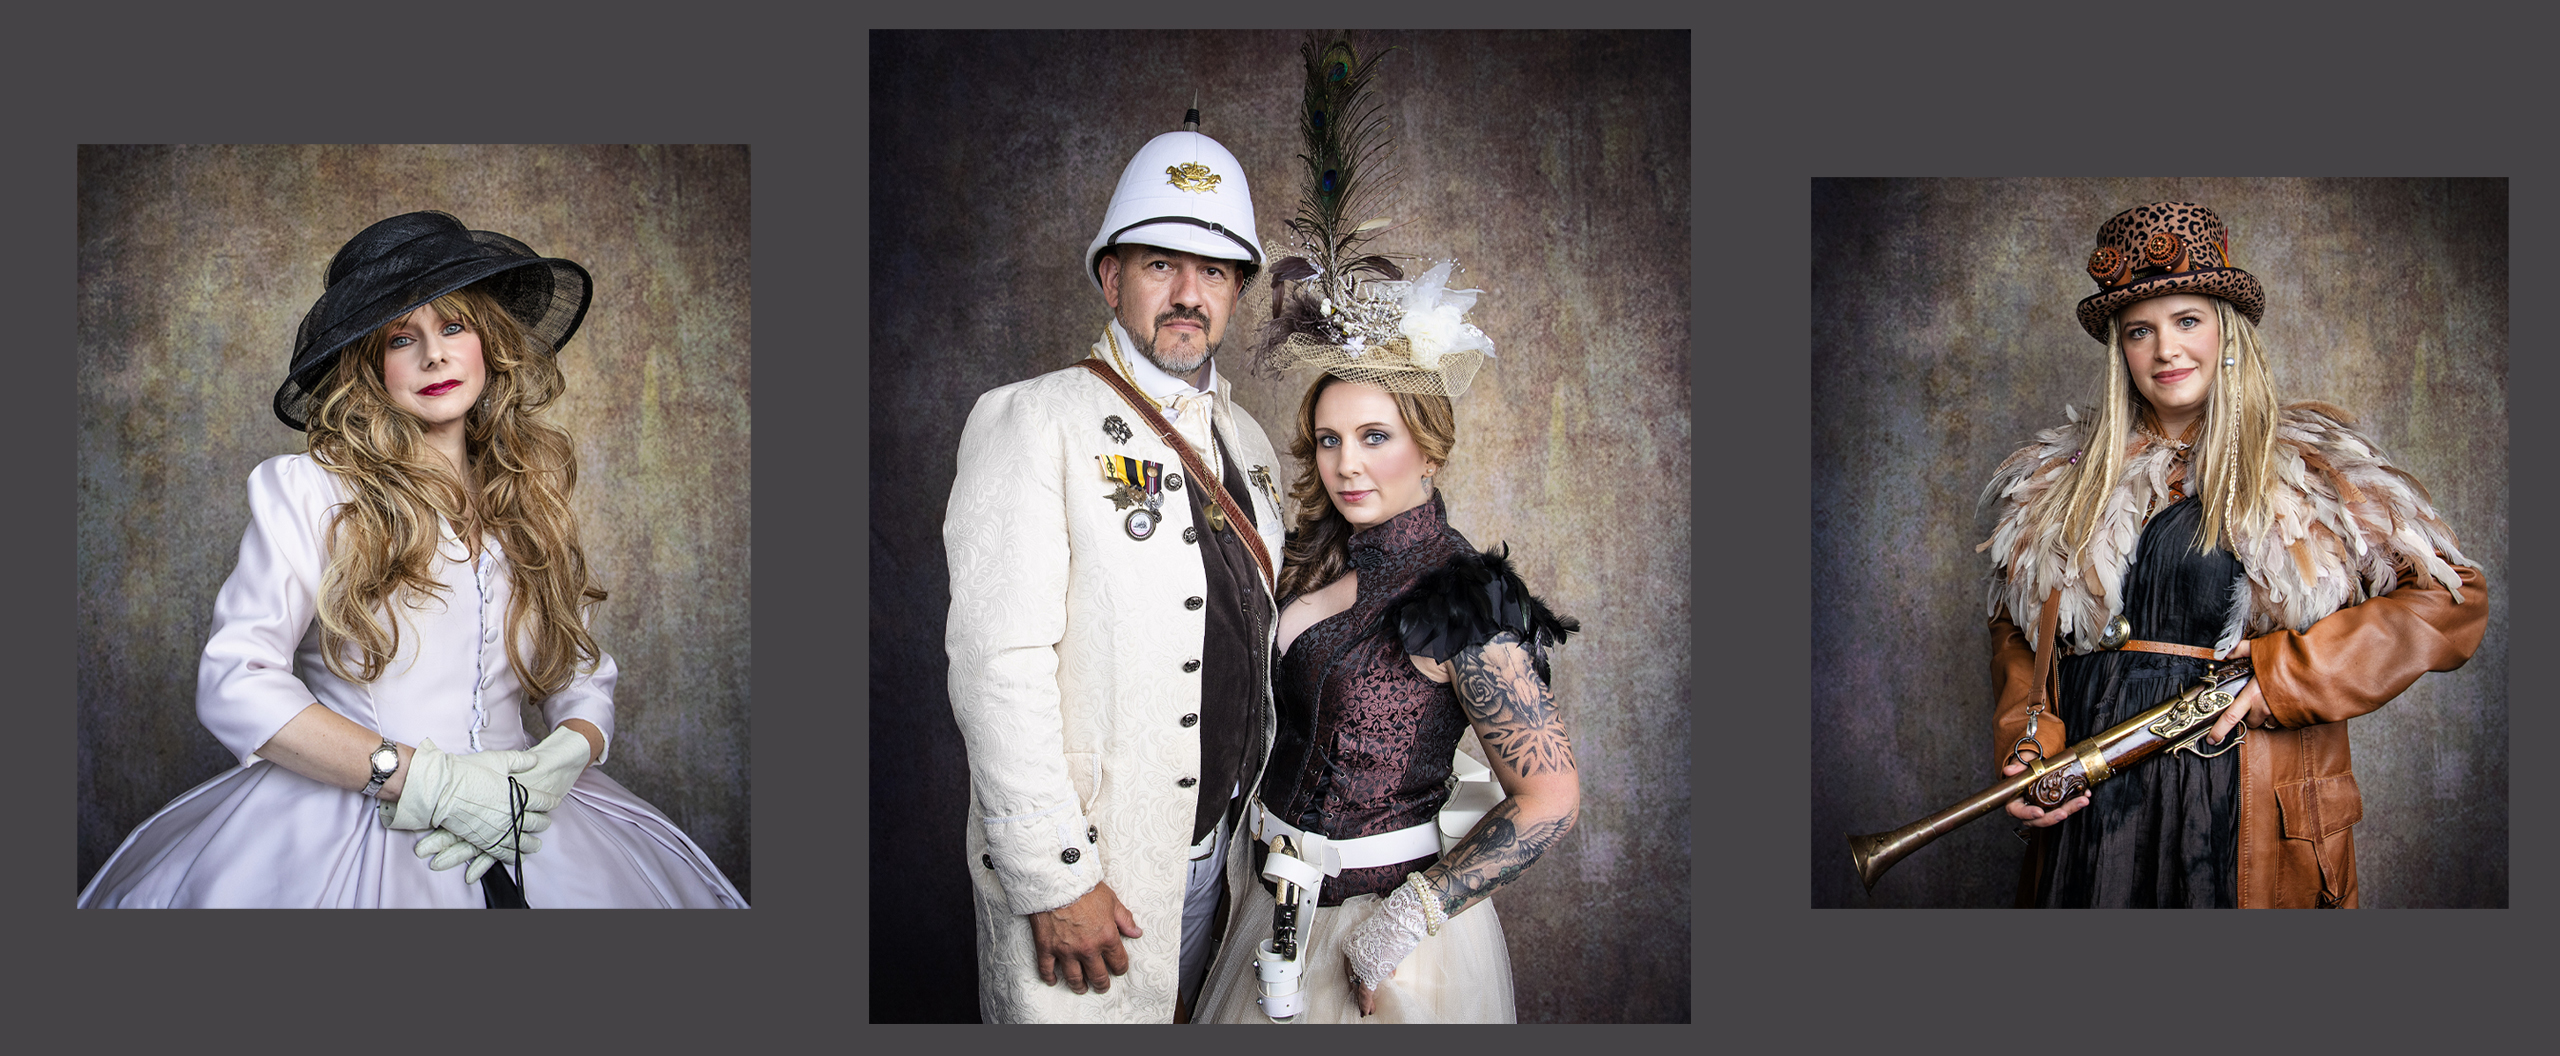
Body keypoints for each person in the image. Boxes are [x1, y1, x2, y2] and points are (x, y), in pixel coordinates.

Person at [79, 211, 746, 908]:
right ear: (369, 369)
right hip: (353, 814)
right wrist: (423, 780)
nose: (434, 355)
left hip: (530, 812)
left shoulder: (528, 493)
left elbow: (577, 670)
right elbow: (236, 681)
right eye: (402, 338)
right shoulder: (311, 489)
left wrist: (566, 753)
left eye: (454, 326)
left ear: (489, 342)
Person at [1981, 202, 2489, 908]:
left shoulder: (2312, 469)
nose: (2166, 350)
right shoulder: (2058, 480)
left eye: (2187, 320)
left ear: (2226, 330)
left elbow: (2451, 600)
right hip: (2095, 813)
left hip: (2241, 806)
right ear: (2121, 351)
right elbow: (2017, 627)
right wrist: (2029, 739)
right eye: (2140, 331)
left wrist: (2290, 677)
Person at [943, 113, 1288, 1022]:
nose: (1188, 294)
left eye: (1214, 272)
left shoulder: (1252, 446)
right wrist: (1053, 876)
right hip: (1095, 859)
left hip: (1221, 855)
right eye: (1161, 264)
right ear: (1112, 278)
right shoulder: (1033, 419)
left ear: (1237, 293)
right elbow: (996, 666)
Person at [1185, 244, 1580, 1021]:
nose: (1345, 465)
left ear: (1427, 448)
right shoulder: (1316, 560)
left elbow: (1552, 797)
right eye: (1329, 439)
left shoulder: (1463, 597)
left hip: (1379, 936)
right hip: (1268, 907)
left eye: (1374, 436)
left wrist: (1403, 922)